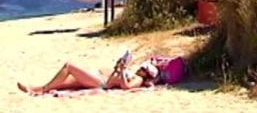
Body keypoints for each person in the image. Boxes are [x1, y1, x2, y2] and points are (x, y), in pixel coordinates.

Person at [16, 56, 159, 94]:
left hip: (100, 82)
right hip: (97, 76)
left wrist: (122, 71)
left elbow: (126, 87)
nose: (140, 68)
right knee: (63, 82)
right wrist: (118, 67)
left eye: (143, 68)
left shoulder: (139, 79)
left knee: (69, 66)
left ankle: (41, 89)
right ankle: (35, 89)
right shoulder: (135, 74)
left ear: (146, 73)